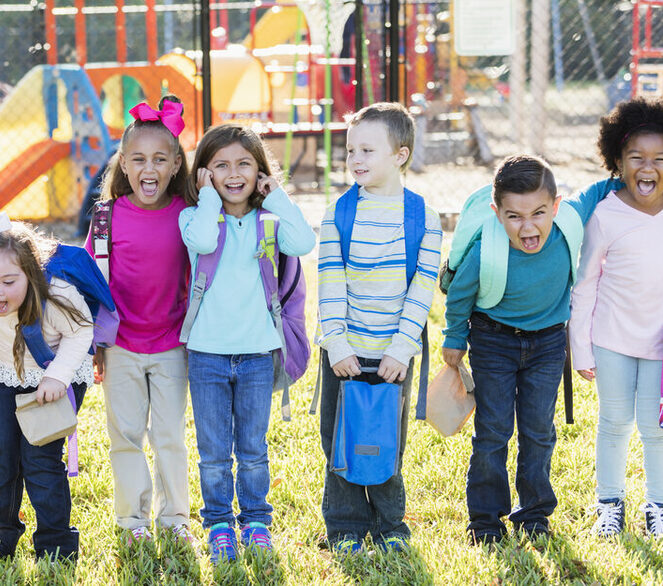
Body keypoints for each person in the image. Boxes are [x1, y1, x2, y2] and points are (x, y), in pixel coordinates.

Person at [442, 155, 611, 545]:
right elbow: (460, 295)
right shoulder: (488, 246)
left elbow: (598, 190)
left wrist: (626, 176)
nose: (528, 225)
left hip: (548, 343)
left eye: (538, 213)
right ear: (497, 213)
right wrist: (454, 338)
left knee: (538, 431)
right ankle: (485, 520)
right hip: (493, 340)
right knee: (493, 432)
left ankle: (534, 514)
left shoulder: (568, 221)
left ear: (556, 205)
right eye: (514, 216)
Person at [179, 123, 315, 563]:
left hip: (258, 353)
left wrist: (274, 195)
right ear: (204, 173)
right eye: (220, 165)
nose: (233, 173)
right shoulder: (194, 216)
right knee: (214, 452)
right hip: (206, 354)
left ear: (260, 172)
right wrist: (206, 198)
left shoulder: (268, 221)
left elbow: (304, 241)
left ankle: (256, 520)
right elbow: (202, 241)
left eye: (244, 164)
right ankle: (219, 523)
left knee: (253, 449)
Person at [316, 102, 442, 554]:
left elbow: (422, 289)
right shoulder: (338, 214)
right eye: (351, 150)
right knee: (340, 443)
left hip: (392, 356)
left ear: (400, 155)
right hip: (345, 352)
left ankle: (390, 526)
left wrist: (401, 349)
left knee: (386, 443)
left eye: (367, 150)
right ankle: (345, 526)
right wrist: (336, 344)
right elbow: (329, 281)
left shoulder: (422, 217)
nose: (356, 160)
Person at [84, 96, 198, 546]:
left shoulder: (189, 217)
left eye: (159, 159)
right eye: (138, 159)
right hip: (121, 348)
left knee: (169, 436)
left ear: (175, 165)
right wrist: (95, 345)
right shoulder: (106, 218)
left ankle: (176, 521)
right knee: (126, 436)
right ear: (124, 166)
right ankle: (133, 523)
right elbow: (90, 284)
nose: (148, 169)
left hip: (173, 345)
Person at [0, 213, 94, 561]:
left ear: (30, 272)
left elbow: (82, 333)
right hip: (3, 374)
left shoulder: (57, 293)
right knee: (1, 458)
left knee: (40, 460)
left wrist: (57, 376)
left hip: (54, 376)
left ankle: (56, 545)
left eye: (8, 281)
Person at [569, 98, 663, 539]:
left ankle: (658, 506)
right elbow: (585, 283)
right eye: (637, 158)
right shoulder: (606, 214)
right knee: (614, 422)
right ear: (618, 163)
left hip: (660, 343)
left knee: (656, 427)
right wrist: (581, 347)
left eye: (660, 159)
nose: (649, 167)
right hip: (612, 339)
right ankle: (610, 504)